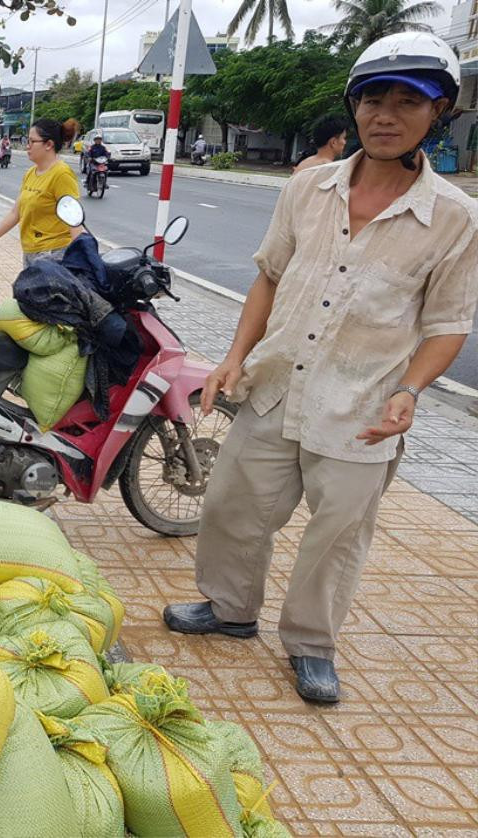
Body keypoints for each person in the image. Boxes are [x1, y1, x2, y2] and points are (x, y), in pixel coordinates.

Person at [163, 32, 477, 704]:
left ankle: (310, 646)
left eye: (407, 102)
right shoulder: (308, 189)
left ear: (440, 111)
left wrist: (410, 391)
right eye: (372, 100)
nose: (385, 115)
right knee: (231, 507)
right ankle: (230, 609)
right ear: (354, 107)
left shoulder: (454, 218)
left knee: (336, 538)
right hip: (276, 388)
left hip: (362, 408)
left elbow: (447, 326)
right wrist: (235, 358)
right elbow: (268, 280)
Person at [0, 119, 84, 268]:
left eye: (32, 142)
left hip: (54, 256)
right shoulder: (31, 173)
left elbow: (74, 219)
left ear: (49, 145)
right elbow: (15, 213)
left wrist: (82, 257)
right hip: (31, 252)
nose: (27, 146)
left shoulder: (62, 174)